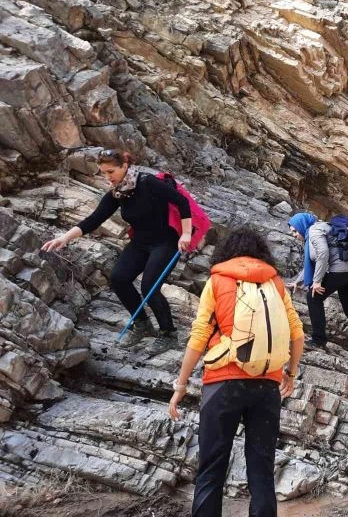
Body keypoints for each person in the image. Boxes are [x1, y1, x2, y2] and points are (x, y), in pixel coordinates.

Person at [168, 227, 304, 517]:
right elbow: (297, 333)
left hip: (223, 382)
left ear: (226, 252)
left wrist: (180, 386)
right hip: (267, 385)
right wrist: (290, 374)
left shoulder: (217, 280)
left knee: (211, 469)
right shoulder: (275, 283)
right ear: (261, 252)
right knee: (262, 469)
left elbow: (199, 335)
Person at [41, 149, 193, 349]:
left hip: (165, 242)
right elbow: (94, 219)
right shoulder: (118, 192)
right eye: (103, 173)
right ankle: (142, 324)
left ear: (124, 166)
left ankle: (168, 334)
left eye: (111, 172)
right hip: (140, 243)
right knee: (119, 279)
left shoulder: (148, 183)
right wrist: (64, 238)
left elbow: (181, 202)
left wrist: (186, 233)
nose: (107, 177)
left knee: (150, 287)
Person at [287, 212, 348, 359]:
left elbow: (322, 254)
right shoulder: (324, 227)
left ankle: (318, 341)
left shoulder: (314, 230)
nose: (294, 235)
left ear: (302, 225)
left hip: (340, 269)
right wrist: (298, 281)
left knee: (313, 297)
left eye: (295, 230)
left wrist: (316, 282)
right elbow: (315, 260)